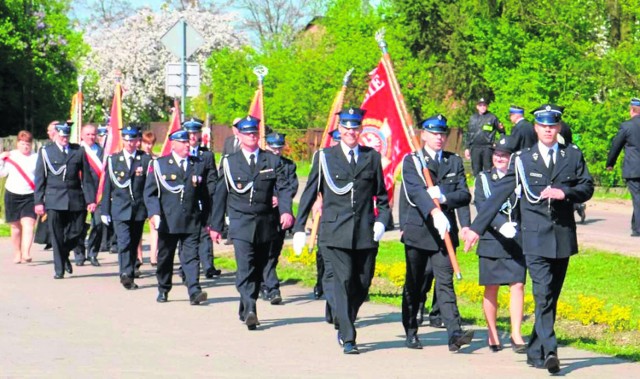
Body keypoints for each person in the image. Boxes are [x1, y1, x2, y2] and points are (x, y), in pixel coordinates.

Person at [462, 104, 594, 374]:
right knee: (542, 293)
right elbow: (498, 194)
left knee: (551, 297)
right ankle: (550, 351)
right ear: (535, 128)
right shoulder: (523, 159)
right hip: (534, 239)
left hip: (563, 237)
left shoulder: (572, 155)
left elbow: (587, 186)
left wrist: (564, 193)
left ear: (558, 128)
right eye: (543, 125)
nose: (548, 129)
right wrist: (476, 228)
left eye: (552, 125)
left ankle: (535, 350)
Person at [292, 107, 391, 354]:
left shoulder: (372, 157)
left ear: (360, 130)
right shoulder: (325, 157)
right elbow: (309, 193)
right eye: (346, 128)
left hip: (365, 232)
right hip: (334, 232)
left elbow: (382, 196)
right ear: (340, 130)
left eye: (355, 128)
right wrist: (299, 228)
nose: (350, 132)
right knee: (343, 280)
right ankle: (348, 336)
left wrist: (382, 221)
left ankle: (344, 316)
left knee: (362, 283)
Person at [210, 116, 295, 330]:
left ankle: (245, 303)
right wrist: (216, 225)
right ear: (238, 136)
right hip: (240, 222)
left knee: (258, 268)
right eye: (247, 133)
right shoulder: (230, 162)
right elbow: (221, 193)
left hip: (266, 222)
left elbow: (284, 188)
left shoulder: (271, 160)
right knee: (245, 266)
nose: (252, 136)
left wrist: (286, 211)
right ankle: (250, 309)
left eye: (255, 133)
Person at [399, 114, 473, 351]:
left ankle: (454, 333)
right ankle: (411, 330)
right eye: (433, 133)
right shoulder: (412, 161)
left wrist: (444, 198)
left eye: (442, 134)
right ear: (424, 135)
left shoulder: (454, 161)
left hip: (444, 234)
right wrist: (434, 210)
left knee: (444, 283)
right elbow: (415, 192)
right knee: (415, 283)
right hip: (419, 232)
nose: (439, 138)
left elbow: (464, 195)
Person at [470, 136, 527, 353]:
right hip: (492, 239)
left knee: (518, 285)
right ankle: (492, 334)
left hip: (515, 239)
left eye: (504, 155)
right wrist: (501, 224)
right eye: (496, 154)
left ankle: (516, 334)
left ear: (512, 158)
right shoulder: (483, 179)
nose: (499, 158)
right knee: (491, 287)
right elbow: (484, 207)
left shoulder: (519, 178)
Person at [144, 129, 212, 305]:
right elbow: (150, 193)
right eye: (183, 142)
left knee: (191, 256)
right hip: (168, 220)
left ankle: (194, 290)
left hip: (191, 219)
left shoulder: (197, 164)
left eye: (188, 141)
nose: (187, 145)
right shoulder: (160, 165)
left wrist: (207, 219)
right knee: (165, 257)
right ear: (173, 144)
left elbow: (205, 195)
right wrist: (154, 213)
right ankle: (164, 287)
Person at [34, 122, 97, 279]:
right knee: (56, 235)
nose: (64, 139)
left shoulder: (78, 151)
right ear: (56, 135)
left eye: (67, 136)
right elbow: (40, 178)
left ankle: (63, 254)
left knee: (77, 231)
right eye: (62, 136)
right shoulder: (46, 152)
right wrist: (38, 201)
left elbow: (87, 179)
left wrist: (91, 200)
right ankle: (59, 269)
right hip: (54, 199)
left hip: (75, 198)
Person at [101, 126, 152, 290]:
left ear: (138, 141)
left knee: (134, 242)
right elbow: (107, 187)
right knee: (124, 241)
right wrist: (105, 210)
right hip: (119, 208)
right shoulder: (113, 160)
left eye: (133, 140)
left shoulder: (145, 160)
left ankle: (129, 270)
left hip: (138, 209)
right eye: (127, 140)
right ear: (123, 140)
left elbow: (149, 187)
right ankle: (125, 273)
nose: (130, 143)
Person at [259, 131, 299, 304]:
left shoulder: (288, 166)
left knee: (274, 251)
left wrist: (281, 200)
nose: (276, 151)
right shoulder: (260, 162)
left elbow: (291, 187)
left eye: (279, 148)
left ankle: (265, 281)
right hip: (262, 214)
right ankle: (272, 287)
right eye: (273, 147)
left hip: (280, 214)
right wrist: (269, 197)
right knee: (263, 251)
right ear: (266, 145)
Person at [183, 118, 221, 278]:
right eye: (190, 133)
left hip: (204, 199)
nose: (192, 136)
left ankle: (208, 266)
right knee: (185, 234)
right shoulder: (181, 154)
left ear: (199, 134)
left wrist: (210, 195)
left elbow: (212, 177)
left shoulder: (206, 155)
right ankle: (185, 267)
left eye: (195, 133)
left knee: (205, 232)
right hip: (185, 202)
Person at [0, 131, 38, 263]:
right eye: (22, 144)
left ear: (31, 144)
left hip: (30, 195)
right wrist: (0, 159)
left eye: (27, 144)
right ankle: (17, 252)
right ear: (17, 144)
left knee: (29, 223)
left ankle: (26, 253)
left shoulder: (36, 157)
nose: (25, 146)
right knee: (15, 227)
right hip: (12, 194)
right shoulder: (11, 156)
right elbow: (2, 174)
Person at [606, 98, 640, 236]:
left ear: (631, 110)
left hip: (633, 169)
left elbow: (616, 145)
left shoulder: (627, 126)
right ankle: (635, 226)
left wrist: (610, 163)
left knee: (637, 197)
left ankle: (638, 228)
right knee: (638, 198)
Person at [74, 124, 104, 267]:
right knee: (78, 226)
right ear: (81, 135)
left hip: (98, 193)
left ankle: (93, 252)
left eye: (93, 134)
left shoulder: (103, 151)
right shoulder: (76, 150)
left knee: (98, 224)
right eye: (88, 134)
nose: (91, 137)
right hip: (80, 192)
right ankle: (79, 254)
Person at [34, 121, 59, 249]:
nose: (48, 133)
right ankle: (49, 239)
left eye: (50, 130)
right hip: (50, 189)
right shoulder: (46, 148)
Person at [465, 98, 505, 176]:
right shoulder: (472, 118)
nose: (482, 107)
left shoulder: (492, 117)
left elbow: (502, 132)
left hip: (488, 148)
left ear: (487, 106)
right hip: (475, 148)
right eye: (480, 105)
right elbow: (469, 134)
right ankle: (477, 186)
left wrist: (497, 143)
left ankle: (489, 187)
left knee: (488, 170)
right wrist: (467, 148)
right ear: (477, 107)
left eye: (484, 105)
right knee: (476, 170)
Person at [138, 130, 158, 266]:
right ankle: (138, 257)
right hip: (139, 196)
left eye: (151, 143)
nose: (148, 146)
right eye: (146, 143)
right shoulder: (137, 159)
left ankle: (153, 257)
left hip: (151, 197)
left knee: (154, 226)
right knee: (137, 228)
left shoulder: (156, 159)